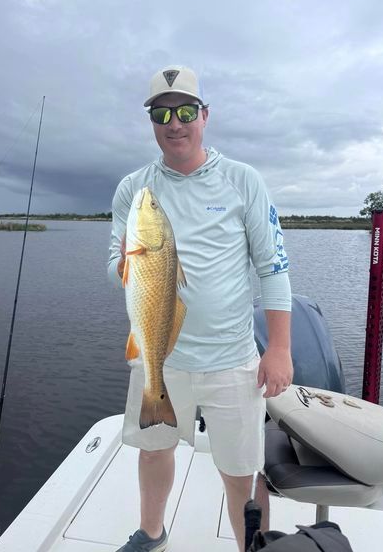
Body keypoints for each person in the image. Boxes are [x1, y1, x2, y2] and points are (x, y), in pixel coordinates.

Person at [108, 65, 293, 552]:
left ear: (204, 116)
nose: (175, 123)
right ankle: (151, 534)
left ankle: (251, 547)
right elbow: (112, 266)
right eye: (162, 113)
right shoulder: (134, 190)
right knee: (154, 451)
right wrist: (135, 265)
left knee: (242, 473)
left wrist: (279, 348)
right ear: (151, 121)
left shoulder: (242, 180)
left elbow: (274, 267)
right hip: (158, 361)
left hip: (232, 359)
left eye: (186, 111)